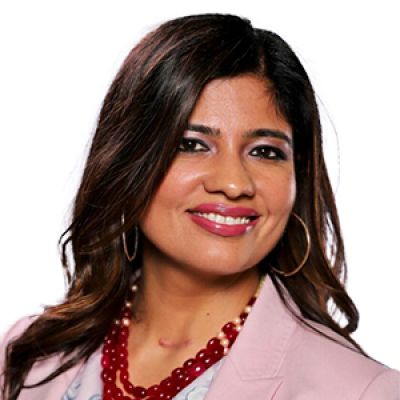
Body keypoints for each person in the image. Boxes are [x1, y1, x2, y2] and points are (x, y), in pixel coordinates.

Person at [1, 13, 399, 400]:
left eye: (264, 151)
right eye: (191, 144)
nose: (233, 183)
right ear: (127, 161)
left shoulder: (362, 391)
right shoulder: (27, 358)